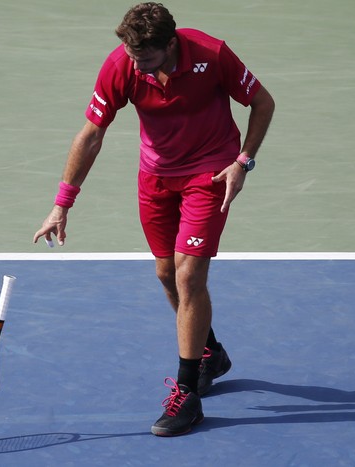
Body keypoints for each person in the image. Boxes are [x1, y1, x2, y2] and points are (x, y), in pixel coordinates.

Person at [32, 2, 274, 437]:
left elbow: (262, 102)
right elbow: (91, 135)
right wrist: (61, 204)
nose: (136, 64)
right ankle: (210, 354)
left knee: (188, 277)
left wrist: (242, 161)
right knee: (165, 274)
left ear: (170, 45)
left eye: (145, 57)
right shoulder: (122, 65)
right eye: (130, 55)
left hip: (209, 173)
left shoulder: (212, 54)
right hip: (155, 178)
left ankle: (188, 396)